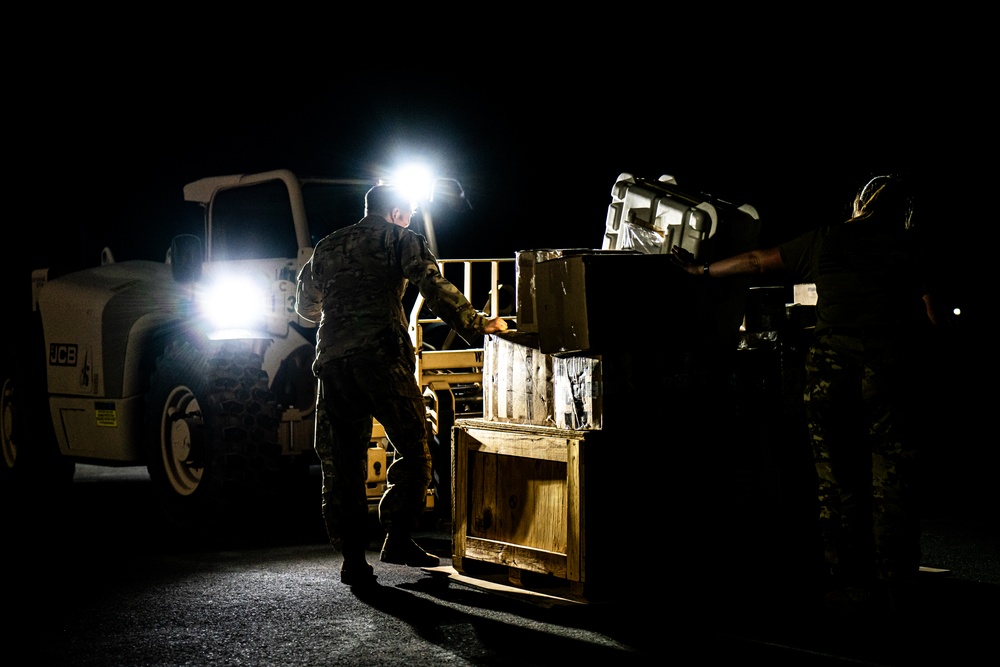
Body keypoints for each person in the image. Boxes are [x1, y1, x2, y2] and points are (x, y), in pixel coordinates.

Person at [671, 174, 939, 615]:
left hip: (831, 376)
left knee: (837, 483)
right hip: (889, 378)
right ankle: (897, 590)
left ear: (860, 203)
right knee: (893, 484)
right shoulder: (910, 247)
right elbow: (932, 318)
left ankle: (847, 587)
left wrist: (700, 271)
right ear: (901, 213)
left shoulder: (826, 240)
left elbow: (758, 262)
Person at [295, 183, 508, 588]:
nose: (410, 219)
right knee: (416, 448)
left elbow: (306, 308)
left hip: (333, 363)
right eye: (407, 213)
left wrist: (340, 307)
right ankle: (397, 536)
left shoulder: (328, 246)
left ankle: (353, 561)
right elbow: (432, 286)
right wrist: (477, 323)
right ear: (394, 212)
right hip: (381, 358)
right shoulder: (400, 239)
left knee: (341, 464)